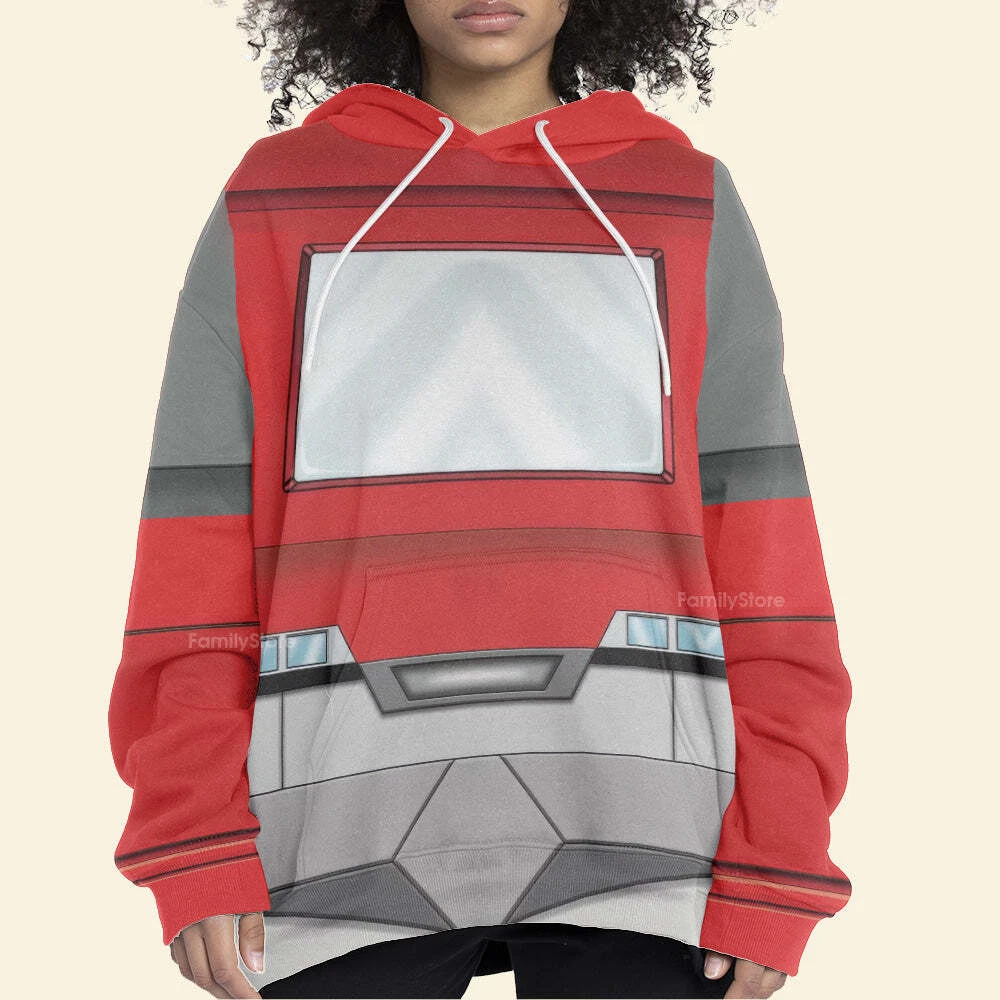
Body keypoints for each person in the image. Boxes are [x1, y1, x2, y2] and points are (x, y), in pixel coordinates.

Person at [107, 1, 853, 997]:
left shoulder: (684, 200)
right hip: (330, 836)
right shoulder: (277, 198)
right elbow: (195, 548)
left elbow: (763, 547)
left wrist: (782, 843)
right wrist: (192, 830)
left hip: (656, 839)